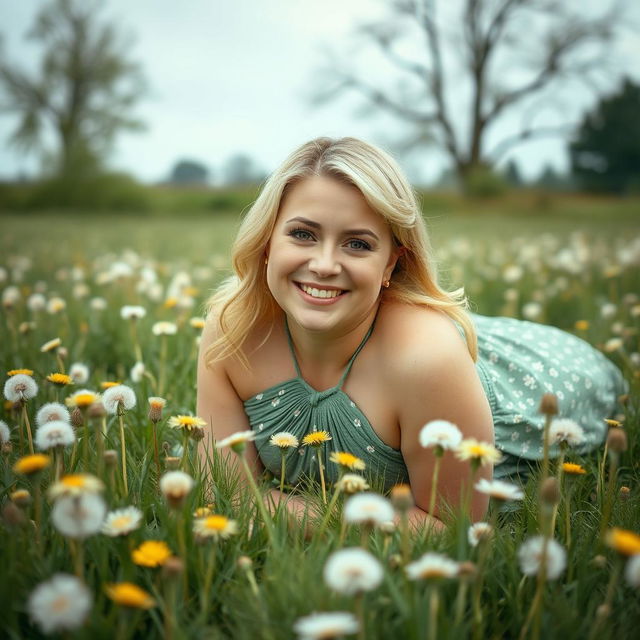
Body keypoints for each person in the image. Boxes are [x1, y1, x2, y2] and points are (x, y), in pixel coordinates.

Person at [196, 137, 626, 529]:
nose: (325, 264)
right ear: (268, 243)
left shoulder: (427, 360)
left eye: (358, 244)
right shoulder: (232, 330)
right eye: (303, 234)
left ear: (391, 265)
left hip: (542, 379)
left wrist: (270, 509)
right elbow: (220, 492)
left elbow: (451, 529)